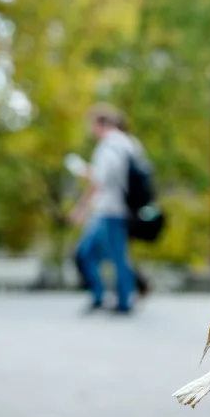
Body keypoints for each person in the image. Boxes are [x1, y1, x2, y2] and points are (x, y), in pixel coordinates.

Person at [70, 104, 138, 314]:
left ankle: (121, 299)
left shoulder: (109, 146)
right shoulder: (130, 143)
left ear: (100, 124)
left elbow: (100, 182)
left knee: (99, 253)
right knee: (106, 254)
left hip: (109, 210)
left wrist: (80, 207)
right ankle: (113, 296)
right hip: (120, 208)